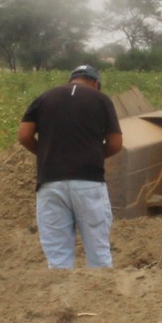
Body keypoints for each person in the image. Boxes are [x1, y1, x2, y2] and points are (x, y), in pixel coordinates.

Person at [17, 64, 123, 268]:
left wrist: (46, 153)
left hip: (50, 183)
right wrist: (92, 155)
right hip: (89, 183)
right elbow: (116, 144)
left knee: (58, 257)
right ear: (96, 83)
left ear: (71, 80)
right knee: (99, 252)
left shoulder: (45, 97)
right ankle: (100, 297)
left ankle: (61, 298)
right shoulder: (101, 100)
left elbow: (24, 135)